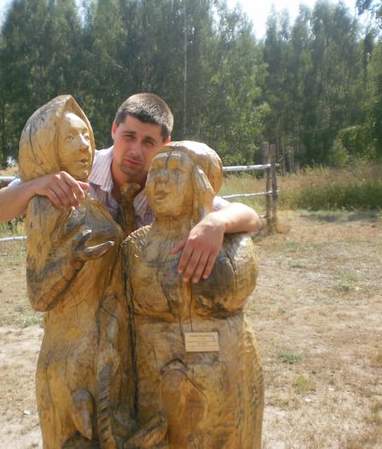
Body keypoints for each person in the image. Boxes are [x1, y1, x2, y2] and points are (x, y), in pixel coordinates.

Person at [0, 93, 261, 282]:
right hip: (89, 306)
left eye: (148, 142)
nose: (136, 151)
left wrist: (216, 222)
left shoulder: (169, 184)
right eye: (129, 136)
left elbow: (250, 217)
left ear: (164, 145)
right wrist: (36, 185)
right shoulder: (79, 168)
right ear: (114, 130)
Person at [99, 141, 264, 447]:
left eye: (175, 169)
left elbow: (248, 223)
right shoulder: (134, 248)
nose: (160, 179)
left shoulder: (231, 242)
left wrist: (213, 222)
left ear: (200, 182)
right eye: (156, 170)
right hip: (154, 380)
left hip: (224, 374)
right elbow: (114, 313)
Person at [17, 95, 123, 447]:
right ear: (48, 148)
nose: (83, 145)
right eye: (70, 137)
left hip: (103, 352)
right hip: (67, 358)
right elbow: (38, 295)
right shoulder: (47, 205)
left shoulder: (89, 202)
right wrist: (70, 258)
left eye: (86, 136)